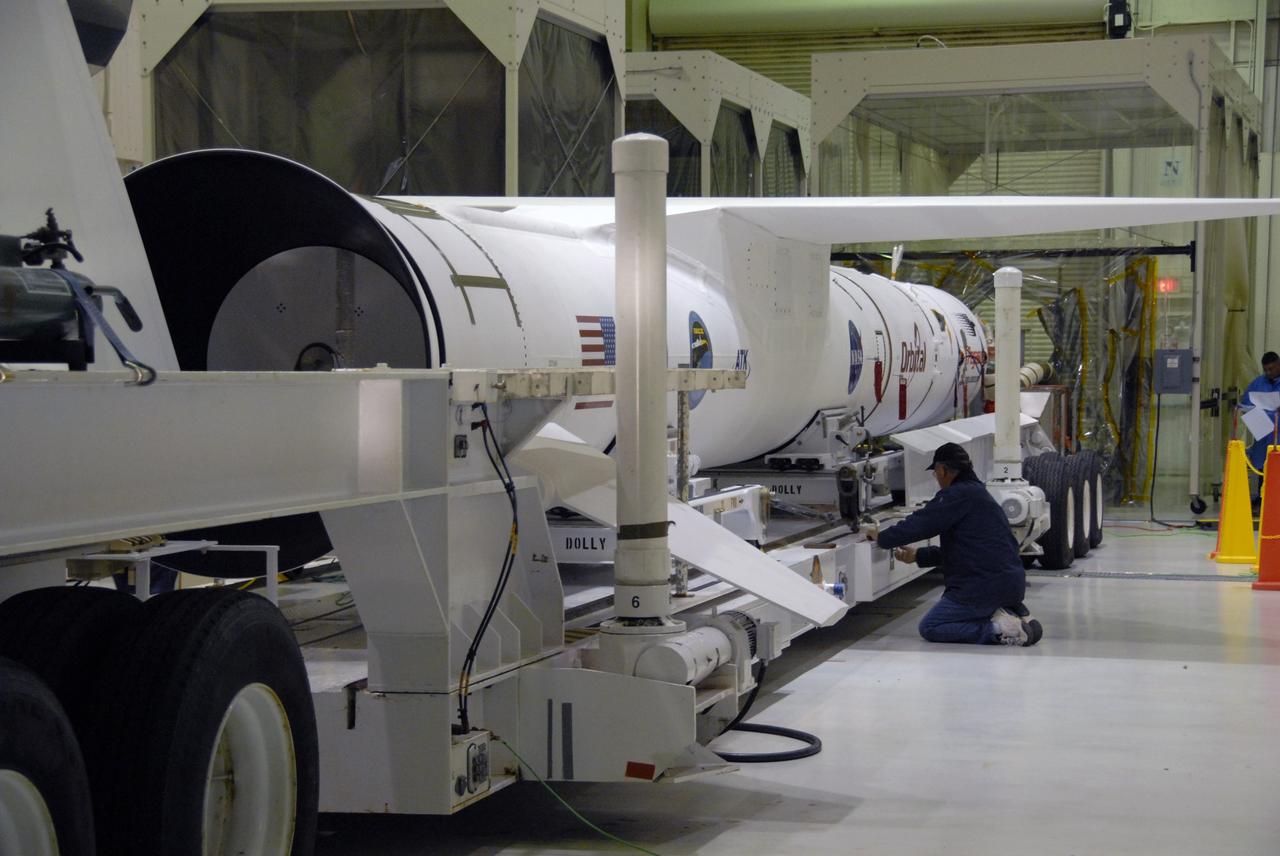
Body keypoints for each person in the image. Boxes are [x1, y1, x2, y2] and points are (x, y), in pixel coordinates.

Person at [866, 442, 1042, 646]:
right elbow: (967, 551)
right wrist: (919, 556)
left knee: (931, 626)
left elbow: (922, 523)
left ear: (942, 470)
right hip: (1008, 583)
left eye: (935, 473)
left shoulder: (957, 495)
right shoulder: (978, 494)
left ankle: (1001, 629)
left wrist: (882, 537)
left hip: (983, 586)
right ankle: (1013, 614)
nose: (937, 478)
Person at [1243, 351, 1280, 497]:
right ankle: (1260, 498)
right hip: (1263, 435)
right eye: (1266, 370)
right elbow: (1245, 404)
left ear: (1279, 364)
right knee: (1261, 468)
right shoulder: (1258, 383)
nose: (1268, 372)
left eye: (1272, 369)